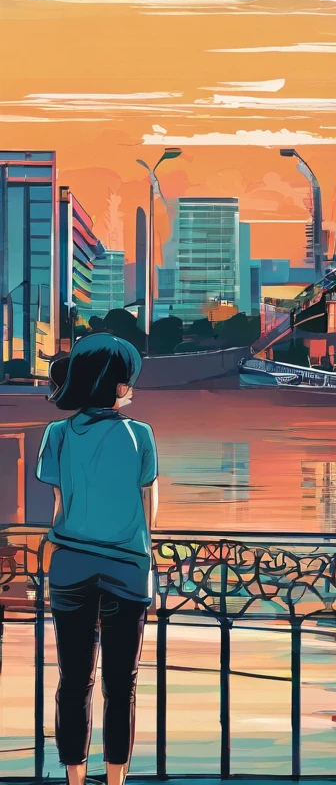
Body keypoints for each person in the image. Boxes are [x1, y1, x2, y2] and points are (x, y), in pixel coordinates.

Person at [36, 333, 158, 785]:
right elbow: (151, 510)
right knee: (120, 684)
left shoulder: (58, 433)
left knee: (73, 682)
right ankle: (115, 779)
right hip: (128, 567)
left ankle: (73, 778)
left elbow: (58, 505)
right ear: (118, 385)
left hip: (70, 565)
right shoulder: (140, 434)